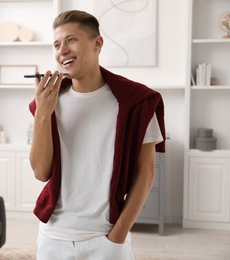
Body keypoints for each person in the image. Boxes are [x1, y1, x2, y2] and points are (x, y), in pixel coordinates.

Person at [28, 10, 166, 260]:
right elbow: (40, 172)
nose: (62, 50)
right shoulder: (49, 102)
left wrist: (118, 236)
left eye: (71, 40)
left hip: (106, 237)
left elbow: (145, 173)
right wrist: (43, 114)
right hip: (53, 237)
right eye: (57, 44)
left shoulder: (137, 102)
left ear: (97, 43)